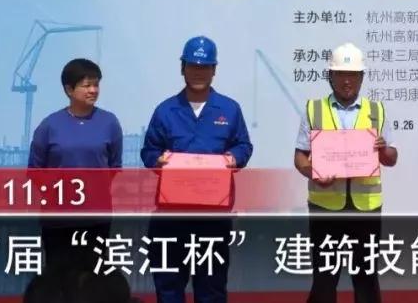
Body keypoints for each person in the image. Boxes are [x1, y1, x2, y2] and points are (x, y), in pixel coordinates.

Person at [140, 35, 253, 303]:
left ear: (214, 70)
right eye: (193, 66)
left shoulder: (229, 109)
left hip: (212, 217)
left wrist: (234, 158)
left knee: (211, 290)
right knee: (169, 290)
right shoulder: (166, 110)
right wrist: (158, 160)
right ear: (182, 68)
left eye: (205, 67)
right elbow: (149, 150)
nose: (199, 72)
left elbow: (244, 145)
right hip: (171, 217)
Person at [294, 42, 398, 303]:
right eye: (341, 74)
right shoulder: (314, 109)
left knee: (366, 278)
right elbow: (299, 157)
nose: (347, 80)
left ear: (362, 77)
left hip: (366, 208)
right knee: (324, 277)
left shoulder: (376, 110)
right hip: (325, 207)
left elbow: (392, 158)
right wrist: (313, 172)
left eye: (352, 74)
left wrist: (383, 150)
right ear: (331, 76)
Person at [28, 58, 123, 272]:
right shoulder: (49, 126)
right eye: (87, 85)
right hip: (58, 218)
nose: (93, 90)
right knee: (59, 275)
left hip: (96, 217)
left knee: (94, 275)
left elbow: (114, 166)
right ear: (69, 89)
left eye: (96, 84)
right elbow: (34, 171)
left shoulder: (109, 123)